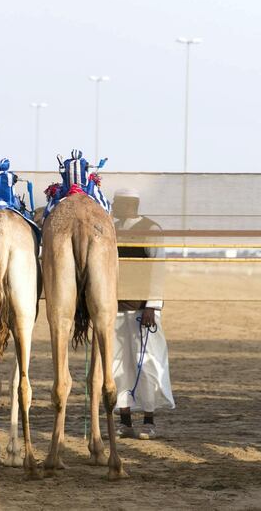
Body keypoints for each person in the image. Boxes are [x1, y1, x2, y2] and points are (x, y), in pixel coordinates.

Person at [111, 188, 175, 440]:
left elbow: (158, 269)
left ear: (130, 204)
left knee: (146, 363)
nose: (113, 206)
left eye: (116, 202)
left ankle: (149, 421)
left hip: (142, 311)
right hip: (114, 310)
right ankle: (124, 421)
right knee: (117, 366)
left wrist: (152, 305)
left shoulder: (150, 229)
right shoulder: (110, 227)